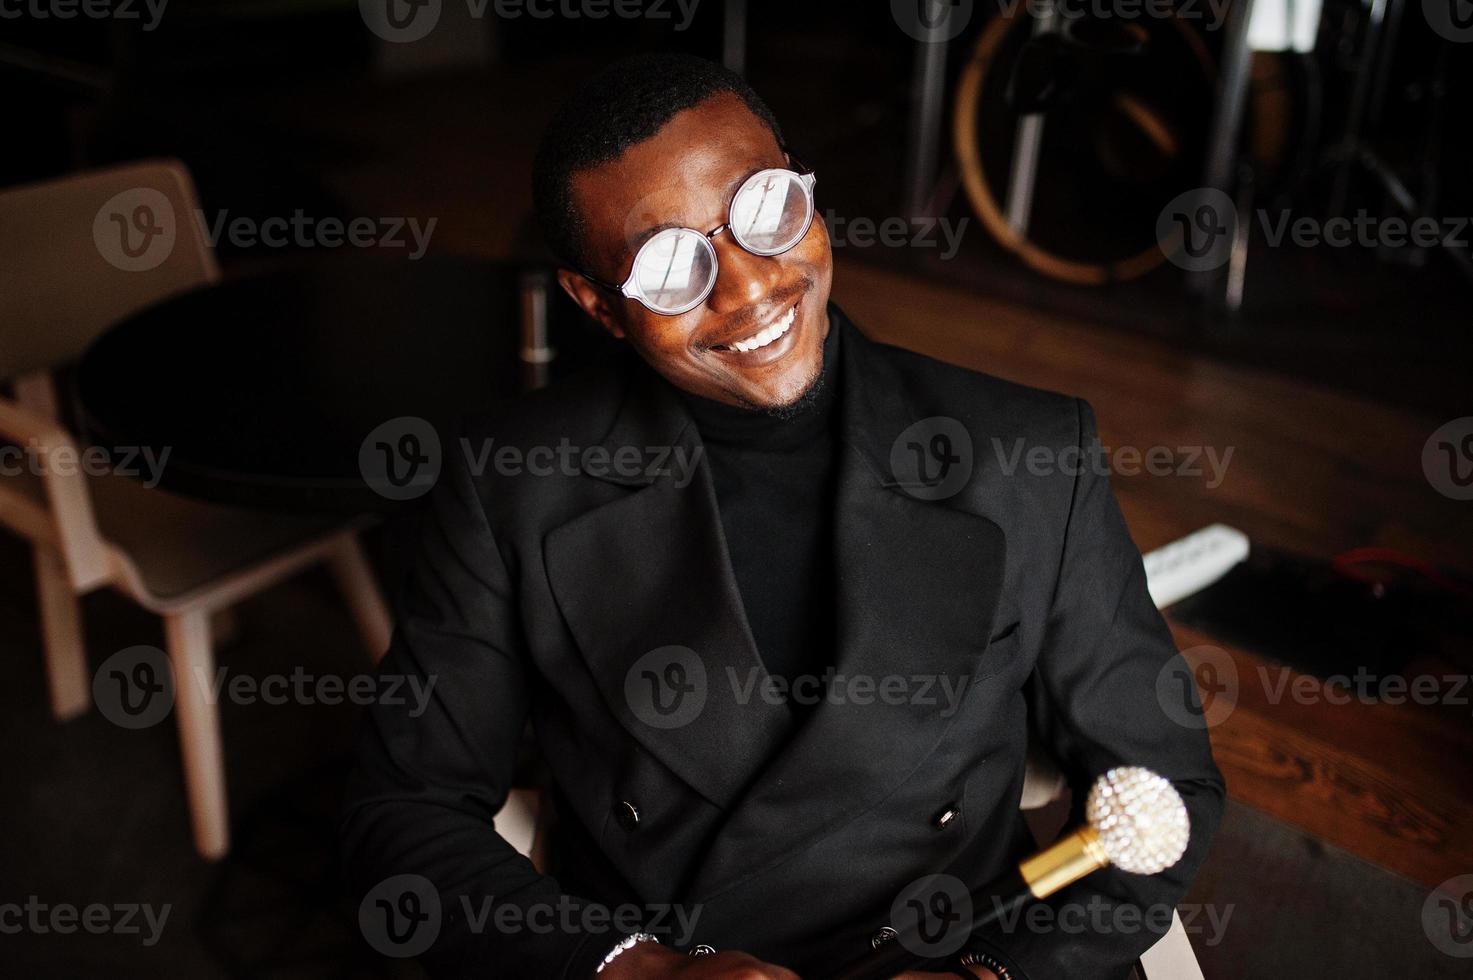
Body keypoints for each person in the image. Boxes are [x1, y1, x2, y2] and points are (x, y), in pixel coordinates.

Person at [342, 52, 1223, 980]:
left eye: (765, 208)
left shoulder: (1030, 451)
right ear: (599, 306)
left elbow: (1170, 787)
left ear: (807, 192)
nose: (748, 288)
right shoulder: (509, 484)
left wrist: (993, 972)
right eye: (667, 265)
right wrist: (633, 970)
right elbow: (400, 811)